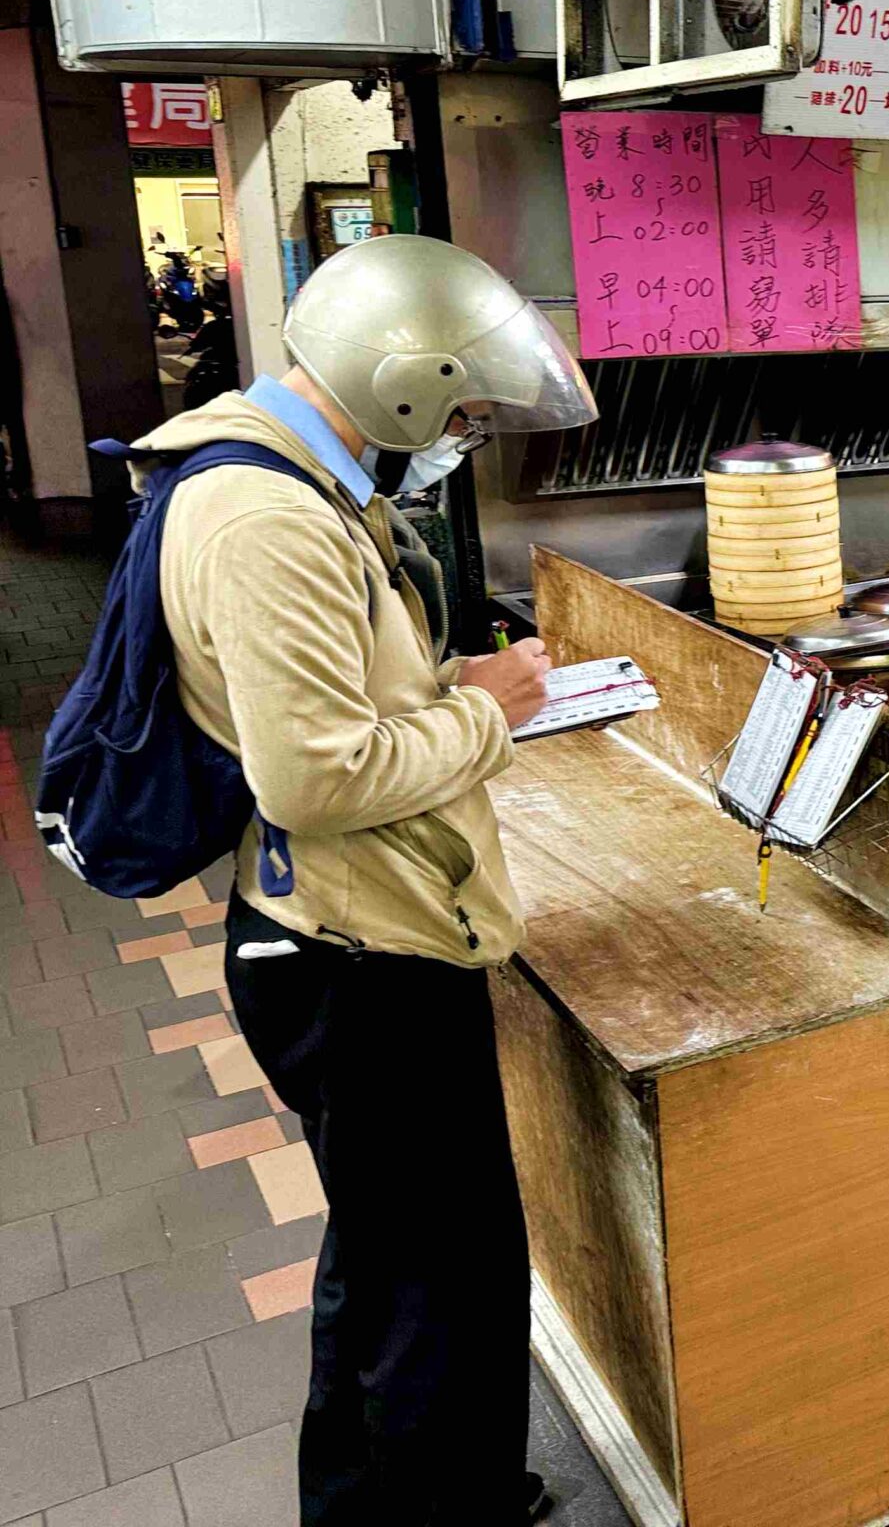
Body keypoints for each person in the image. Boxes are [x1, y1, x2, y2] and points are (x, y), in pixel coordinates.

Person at [133, 234, 598, 1522]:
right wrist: (488, 710)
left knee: (396, 1264)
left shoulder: (286, 479)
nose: (461, 432)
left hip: (355, 936)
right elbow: (315, 780)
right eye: (457, 407)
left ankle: (387, 1498)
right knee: (429, 1279)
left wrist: (433, 693)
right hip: (360, 956)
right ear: (397, 384)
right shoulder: (269, 519)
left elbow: (329, 713)